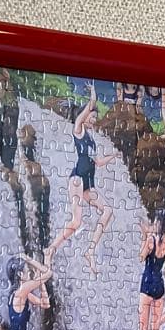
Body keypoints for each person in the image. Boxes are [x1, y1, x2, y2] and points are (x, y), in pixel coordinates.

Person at [44, 84, 115, 275]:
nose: (94, 119)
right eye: (92, 116)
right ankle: (50, 249)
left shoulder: (91, 140)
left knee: (108, 210)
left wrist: (113, 156)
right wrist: (93, 93)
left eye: (95, 117)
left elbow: (97, 162)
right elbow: (87, 109)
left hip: (88, 184)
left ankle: (90, 251)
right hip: (77, 180)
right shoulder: (79, 130)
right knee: (76, 222)